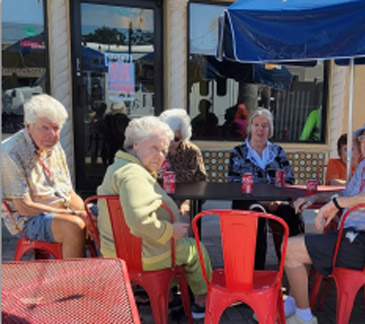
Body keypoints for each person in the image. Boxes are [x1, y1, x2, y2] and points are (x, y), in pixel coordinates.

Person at [286, 117, 365, 324]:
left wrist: (337, 204)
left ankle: (303, 317)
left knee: (290, 248)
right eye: (364, 138)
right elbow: (346, 193)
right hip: (351, 237)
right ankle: (293, 302)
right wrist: (316, 198)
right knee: (298, 242)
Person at [96, 116, 212, 319]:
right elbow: (140, 222)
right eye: (154, 148)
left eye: (164, 151)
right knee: (196, 249)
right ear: (136, 144)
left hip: (119, 250)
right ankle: (201, 303)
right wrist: (171, 231)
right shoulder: (134, 175)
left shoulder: (118, 167)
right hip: (145, 254)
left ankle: (166, 296)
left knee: (181, 244)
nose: (160, 156)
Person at [1, 94, 92, 258]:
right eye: (44, 128)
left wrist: (87, 213)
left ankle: (119, 272)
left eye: (56, 128)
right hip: (27, 219)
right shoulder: (10, 153)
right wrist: (74, 215)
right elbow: (24, 207)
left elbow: (69, 193)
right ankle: (73, 281)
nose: (52, 134)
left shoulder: (54, 147)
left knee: (108, 215)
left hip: (61, 209)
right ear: (28, 126)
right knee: (75, 226)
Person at [227, 108, 305, 270]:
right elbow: (233, 183)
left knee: (293, 213)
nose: (260, 130)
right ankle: (257, 271)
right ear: (250, 127)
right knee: (257, 213)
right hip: (249, 201)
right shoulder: (239, 152)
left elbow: (289, 180)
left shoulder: (277, 151)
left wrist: (277, 199)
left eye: (265, 126)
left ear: (270, 130)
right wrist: (264, 201)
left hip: (277, 201)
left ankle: (295, 265)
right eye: (256, 125)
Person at [159, 108, 208, 216]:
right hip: (159, 196)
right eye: (169, 138)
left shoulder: (191, 151)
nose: (172, 143)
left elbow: (200, 182)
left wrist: (188, 203)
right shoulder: (156, 150)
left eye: (176, 139)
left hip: (186, 196)